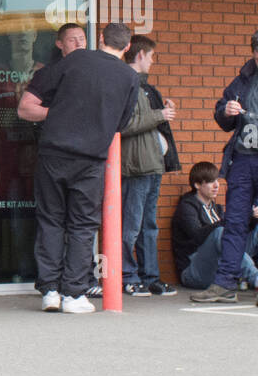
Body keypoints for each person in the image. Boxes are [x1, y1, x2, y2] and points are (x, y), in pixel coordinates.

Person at [17, 21, 139, 314]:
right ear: (127, 47)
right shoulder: (129, 77)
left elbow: (26, 105)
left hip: (53, 153)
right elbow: (122, 123)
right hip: (91, 159)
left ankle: (49, 290)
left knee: (50, 220)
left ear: (99, 38)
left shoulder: (74, 60)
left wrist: (60, 114)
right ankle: (74, 294)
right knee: (83, 226)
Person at [191, 27, 258, 307]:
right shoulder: (243, 78)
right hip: (242, 158)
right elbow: (222, 115)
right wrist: (224, 111)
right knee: (234, 224)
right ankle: (225, 283)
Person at [119, 34, 179, 297]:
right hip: (135, 166)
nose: (153, 62)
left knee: (148, 225)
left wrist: (160, 111)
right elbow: (124, 124)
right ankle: (127, 276)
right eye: (151, 56)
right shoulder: (124, 84)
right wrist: (159, 115)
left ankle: (150, 276)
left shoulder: (144, 87)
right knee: (130, 225)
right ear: (140, 55)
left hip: (152, 165)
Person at [172, 162, 258, 291]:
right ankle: (257, 278)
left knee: (257, 230)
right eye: (210, 182)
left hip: (218, 268)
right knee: (221, 233)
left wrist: (252, 219)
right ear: (197, 185)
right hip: (193, 272)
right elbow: (197, 236)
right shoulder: (186, 207)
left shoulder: (216, 209)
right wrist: (228, 221)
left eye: (217, 180)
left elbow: (234, 230)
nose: (216, 186)